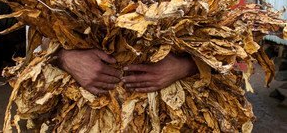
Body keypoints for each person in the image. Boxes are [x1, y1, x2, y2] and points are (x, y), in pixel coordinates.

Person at [57, 48, 198, 95]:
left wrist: (185, 67)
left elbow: (218, 55)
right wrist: (66, 58)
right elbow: (43, 33)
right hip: (90, 109)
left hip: (173, 108)